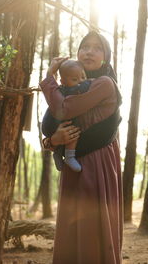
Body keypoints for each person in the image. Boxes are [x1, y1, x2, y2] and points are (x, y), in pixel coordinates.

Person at [40, 31, 123, 264]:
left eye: (97, 48)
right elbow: (50, 126)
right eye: (85, 46)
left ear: (105, 57)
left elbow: (63, 110)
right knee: (71, 230)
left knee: (92, 231)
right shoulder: (66, 88)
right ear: (76, 54)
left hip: (97, 164)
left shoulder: (104, 84)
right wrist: (53, 141)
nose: (89, 50)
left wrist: (49, 77)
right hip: (71, 163)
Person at [43, 59, 92, 172]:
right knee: (74, 128)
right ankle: (69, 156)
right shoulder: (70, 90)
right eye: (75, 79)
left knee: (72, 125)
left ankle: (58, 153)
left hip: (52, 123)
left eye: (83, 77)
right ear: (63, 82)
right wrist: (90, 81)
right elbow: (83, 87)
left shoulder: (63, 89)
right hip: (52, 123)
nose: (80, 81)